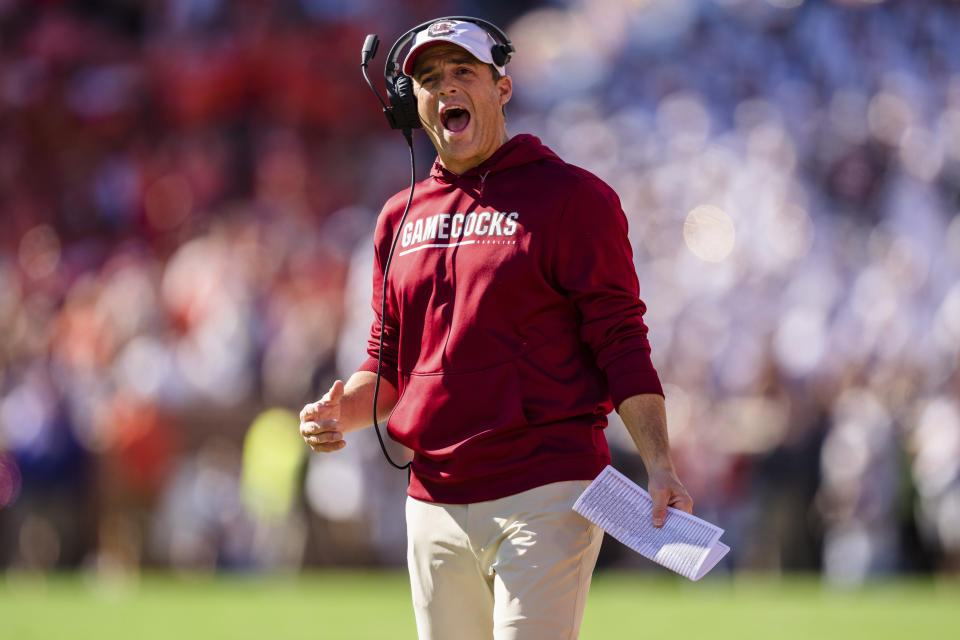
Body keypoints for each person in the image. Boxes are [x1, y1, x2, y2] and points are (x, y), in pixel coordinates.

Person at [300, 17, 693, 640]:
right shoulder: (397, 217)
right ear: (412, 104)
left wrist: (660, 463)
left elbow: (620, 338)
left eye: (464, 73)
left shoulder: (572, 199)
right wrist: (339, 410)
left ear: (501, 89)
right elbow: (391, 365)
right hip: (432, 501)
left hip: (546, 487)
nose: (446, 87)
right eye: (430, 78)